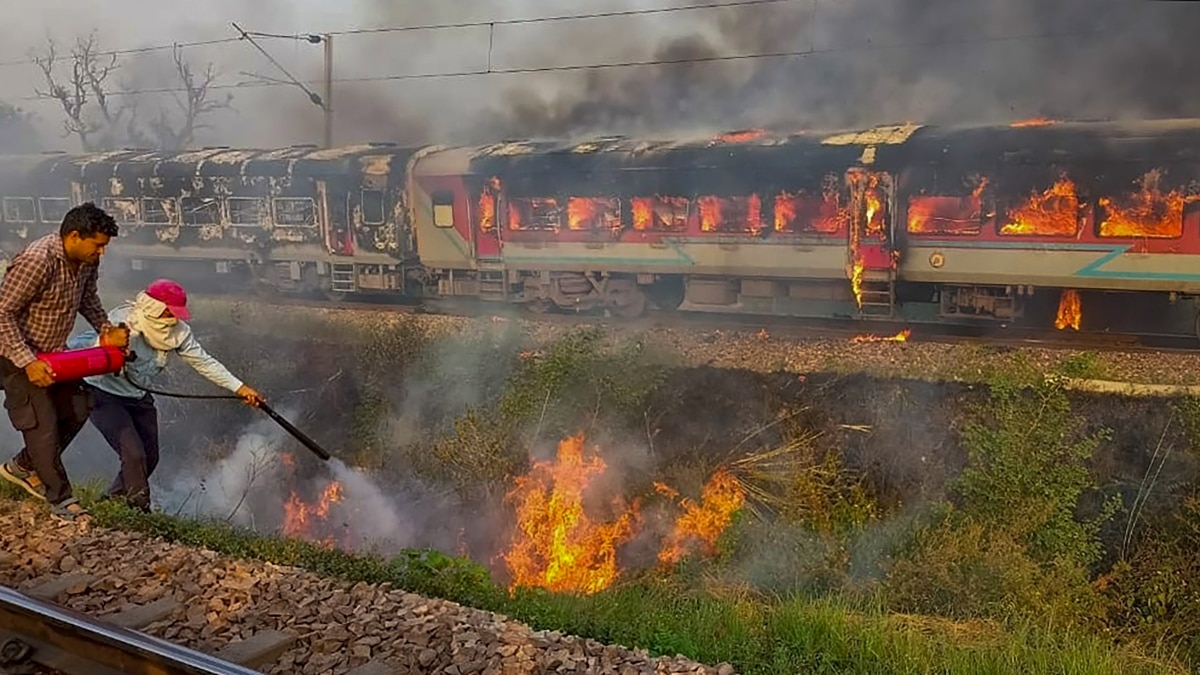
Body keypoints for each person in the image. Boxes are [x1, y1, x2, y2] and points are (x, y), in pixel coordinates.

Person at [67, 278, 264, 513]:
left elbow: (204, 362)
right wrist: (111, 348)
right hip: (103, 394)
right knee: (134, 455)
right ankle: (140, 510)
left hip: (138, 395)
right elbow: (90, 346)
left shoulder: (179, 333)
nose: (174, 319)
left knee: (150, 457)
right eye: (169, 313)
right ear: (154, 308)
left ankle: (112, 502)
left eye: (177, 314)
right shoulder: (124, 322)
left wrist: (240, 388)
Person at [0, 202, 128, 522]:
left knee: (79, 406)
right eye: (97, 244)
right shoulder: (36, 260)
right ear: (74, 236)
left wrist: (105, 329)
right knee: (41, 423)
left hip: (52, 353)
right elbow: (2, 313)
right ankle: (61, 499)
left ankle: (23, 466)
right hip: (14, 355)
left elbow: (87, 298)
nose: (101, 253)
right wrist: (27, 362)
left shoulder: (85, 262)